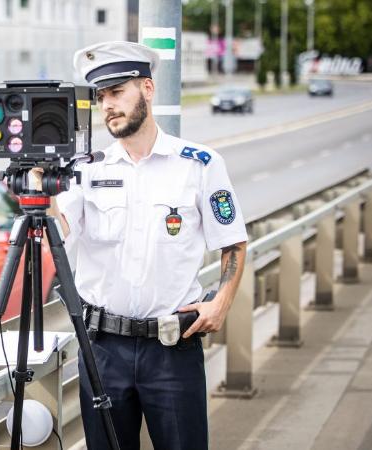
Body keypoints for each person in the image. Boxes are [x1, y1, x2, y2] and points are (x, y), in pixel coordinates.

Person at [33, 41, 249, 449]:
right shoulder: (85, 170)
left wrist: (220, 302)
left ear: (147, 89)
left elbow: (233, 242)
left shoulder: (199, 165)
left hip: (173, 348)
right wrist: (42, 192)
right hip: (102, 350)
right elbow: (58, 235)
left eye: (117, 92)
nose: (107, 106)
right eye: (100, 97)